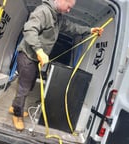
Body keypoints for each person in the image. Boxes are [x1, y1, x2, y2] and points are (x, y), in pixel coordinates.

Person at [9, 0, 104, 131]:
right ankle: (17, 114)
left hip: (35, 59)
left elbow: (72, 27)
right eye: (69, 7)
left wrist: (90, 30)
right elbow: (30, 30)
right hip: (27, 56)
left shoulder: (57, 17)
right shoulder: (43, 11)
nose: (69, 10)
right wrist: (39, 51)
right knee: (24, 88)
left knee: (28, 85)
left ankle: (15, 106)